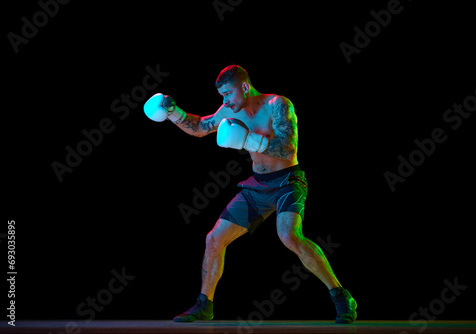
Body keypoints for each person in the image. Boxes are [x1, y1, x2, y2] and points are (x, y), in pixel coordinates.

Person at [144, 65, 357, 324]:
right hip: (257, 187)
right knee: (214, 239)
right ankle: (204, 305)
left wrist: (248, 141)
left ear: (244, 87)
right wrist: (172, 113)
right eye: (221, 96)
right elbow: (200, 127)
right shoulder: (228, 111)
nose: (225, 101)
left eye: (228, 94)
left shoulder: (278, 104)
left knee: (289, 235)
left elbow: (288, 148)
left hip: (288, 182)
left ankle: (341, 296)